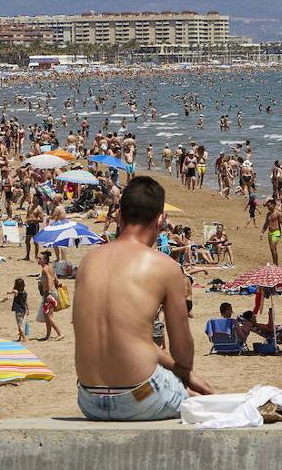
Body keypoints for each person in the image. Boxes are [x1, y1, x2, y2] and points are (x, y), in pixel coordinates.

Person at [74, 177, 213, 421]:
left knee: (185, 387)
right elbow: (183, 353)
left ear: (119, 216)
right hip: (140, 397)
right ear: (161, 220)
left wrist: (174, 370)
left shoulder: (89, 261)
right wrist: (185, 373)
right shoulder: (165, 266)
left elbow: (123, 337)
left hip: (88, 399)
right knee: (203, 400)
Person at [35, 251, 64, 341]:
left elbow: (49, 279)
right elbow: (56, 280)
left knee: (49, 315)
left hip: (49, 294)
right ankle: (47, 335)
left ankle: (60, 333)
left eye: (40, 258)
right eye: (38, 258)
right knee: (46, 315)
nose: (38, 260)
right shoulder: (50, 268)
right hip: (50, 293)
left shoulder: (45, 269)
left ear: (45, 260)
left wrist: (49, 293)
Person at [8, 278, 29, 342]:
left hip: (18, 310)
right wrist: (28, 309)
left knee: (19, 325)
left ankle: (24, 337)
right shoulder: (25, 292)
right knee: (22, 323)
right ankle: (20, 337)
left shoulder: (16, 292)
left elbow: (10, 292)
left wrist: (10, 291)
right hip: (24, 309)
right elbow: (26, 302)